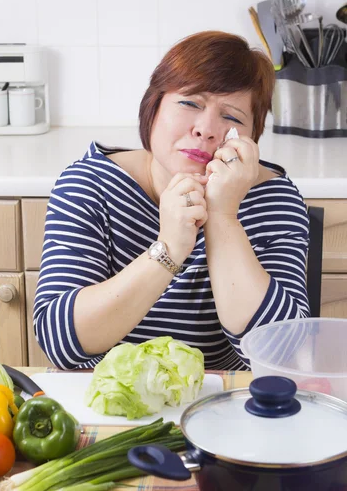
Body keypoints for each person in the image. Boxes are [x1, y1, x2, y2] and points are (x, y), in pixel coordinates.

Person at [34, 30, 310, 371]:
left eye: (232, 117)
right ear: (154, 106)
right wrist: (169, 248)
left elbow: (282, 353)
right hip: (108, 407)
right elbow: (60, 344)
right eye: (190, 103)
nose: (206, 129)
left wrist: (223, 217)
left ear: (251, 136)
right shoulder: (90, 185)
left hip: (221, 402)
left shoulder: (274, 200)